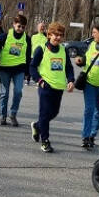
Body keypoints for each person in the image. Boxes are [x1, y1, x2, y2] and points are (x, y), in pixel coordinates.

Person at [29, 22, 75, 153]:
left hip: (59, 87)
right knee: (44, 113)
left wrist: (71, 80)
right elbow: (32, 67)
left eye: (60, 35)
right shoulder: (41, 49)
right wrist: (39, 79)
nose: (58, 38)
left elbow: (69, 68)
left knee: (53, 113)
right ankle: (45, 141)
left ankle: (37, 126)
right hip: (45, 86)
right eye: (55, 35)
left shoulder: (63, 50)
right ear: (49, 35)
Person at [74, 22, 99, 148]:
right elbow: (86, 59)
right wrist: (80, 61)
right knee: (89, 109)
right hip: (89, 83)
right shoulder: (91, 44)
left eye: (95, 32)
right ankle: (85, 137)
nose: (93, 35)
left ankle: (92, 135)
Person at [0, 15, 32, 126]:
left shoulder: (27, 39)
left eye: (23, 27)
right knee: (5, 93)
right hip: (5, 68)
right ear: (14, 24)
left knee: (18, 92)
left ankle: (13, 114)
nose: (20, 29)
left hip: (19, 69)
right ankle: (3, 115)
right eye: (19, 26)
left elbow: (28, 56)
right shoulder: (5, 36)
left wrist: (28, 73)